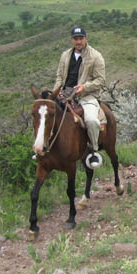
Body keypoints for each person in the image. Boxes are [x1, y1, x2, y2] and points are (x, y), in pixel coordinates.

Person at [54, 26, 106, 168]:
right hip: (64, 94)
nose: (78, 41)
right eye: (76, 38)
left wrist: (84, 87)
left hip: (86, 96)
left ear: (86, 38)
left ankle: (94, 150)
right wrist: (57, 90)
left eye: (81, 38)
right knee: (44, 114)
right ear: (72, 40)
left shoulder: (96, 56)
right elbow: (59, 76)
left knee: (91, 121)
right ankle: (45, 147)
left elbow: (101, 80)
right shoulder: (65, 55)